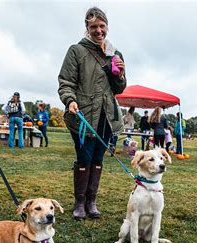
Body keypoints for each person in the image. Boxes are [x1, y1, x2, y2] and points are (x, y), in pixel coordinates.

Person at [58, 7, 126, 220]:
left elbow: (119, 89)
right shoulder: (76, 51)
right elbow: (66, 82)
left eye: (102, 26)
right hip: (84, 113)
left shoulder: (115, 53)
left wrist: (120, 75)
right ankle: (79, 203)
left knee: (97, 157)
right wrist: (70, 100)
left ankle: (91, 202)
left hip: (107, 115)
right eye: (93, 26)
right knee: (84, 157)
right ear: (87, 28)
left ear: (107, 27)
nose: (98, 31)